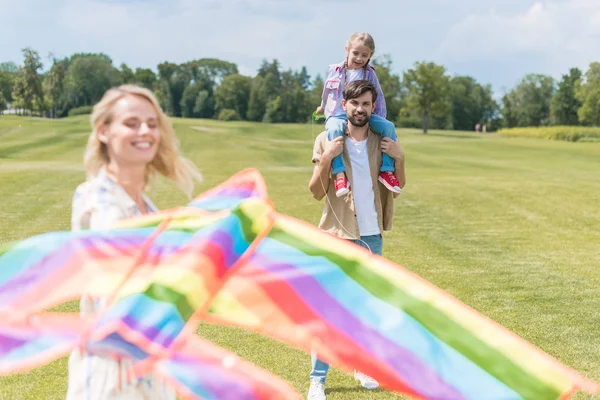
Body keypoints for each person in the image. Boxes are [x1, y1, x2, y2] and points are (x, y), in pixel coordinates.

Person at [66, 84, 202, 399]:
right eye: (131, 123)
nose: (145, 131)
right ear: (104, 131)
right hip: (112, 378)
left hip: (153, 373)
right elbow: (120, 291)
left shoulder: (147, 207)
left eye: (152, 124)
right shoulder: (96, 199)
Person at [307, 80, 406, 400]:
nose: (360, 109)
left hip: (371, 235)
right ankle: (317, 379)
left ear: (373, 106)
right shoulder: (327, 138)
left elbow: (397, 185)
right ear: (344, 105)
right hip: (336, 234)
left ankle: (361, 366)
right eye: (354, 104)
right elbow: (314, 192)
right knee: (330, 311)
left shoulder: (383, 139)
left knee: (363, 309)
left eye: (366, 104)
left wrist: (400, 157)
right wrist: (327, 159)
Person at [315, 32, 402, 198]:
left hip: (362, 114)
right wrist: (322, 107)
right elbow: (326, 92)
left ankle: (386, 170)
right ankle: (340, 175)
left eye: (364, 55)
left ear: (370, 56)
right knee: (333, 129)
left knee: (389, 127)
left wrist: (380, 120)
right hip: (338, 113)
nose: (359, 58)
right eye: (356, 53)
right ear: (347, 49)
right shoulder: (335, 70)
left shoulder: (369, 74)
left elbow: (380, 98)